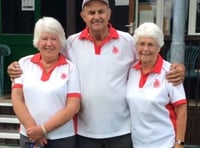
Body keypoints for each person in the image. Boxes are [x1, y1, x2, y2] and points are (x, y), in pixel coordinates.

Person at [8, 0, 185, 148]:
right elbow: (47, 53)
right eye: (91, 12)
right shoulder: (71, 43)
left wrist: (177, 68)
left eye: (101, 11)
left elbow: (148, 55)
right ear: (83, 16)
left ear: (109, 13)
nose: (96, 16)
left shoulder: (128, 41)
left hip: (121, 131)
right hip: (85, 131)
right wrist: (16, 67)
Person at [11, 17, 81, 148]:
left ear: (60, 42)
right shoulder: (23, 64)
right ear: (37, 41)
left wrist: (42, 129)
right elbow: (17, 99)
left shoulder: (70, 67)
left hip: (62, 138)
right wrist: (33, 129)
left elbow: (73, 106)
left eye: (54, 39)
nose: (49, 43)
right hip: (29, 136)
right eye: (44, 38)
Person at [126, 22, 187, 148]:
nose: (146, 49)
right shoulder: (132, 70)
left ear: (159, 48)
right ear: (136, 47)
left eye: (151, 45)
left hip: (164, 143)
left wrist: (180, 143)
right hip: (138, 143)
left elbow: (181, 110)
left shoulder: (170, 72)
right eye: (142, 44)